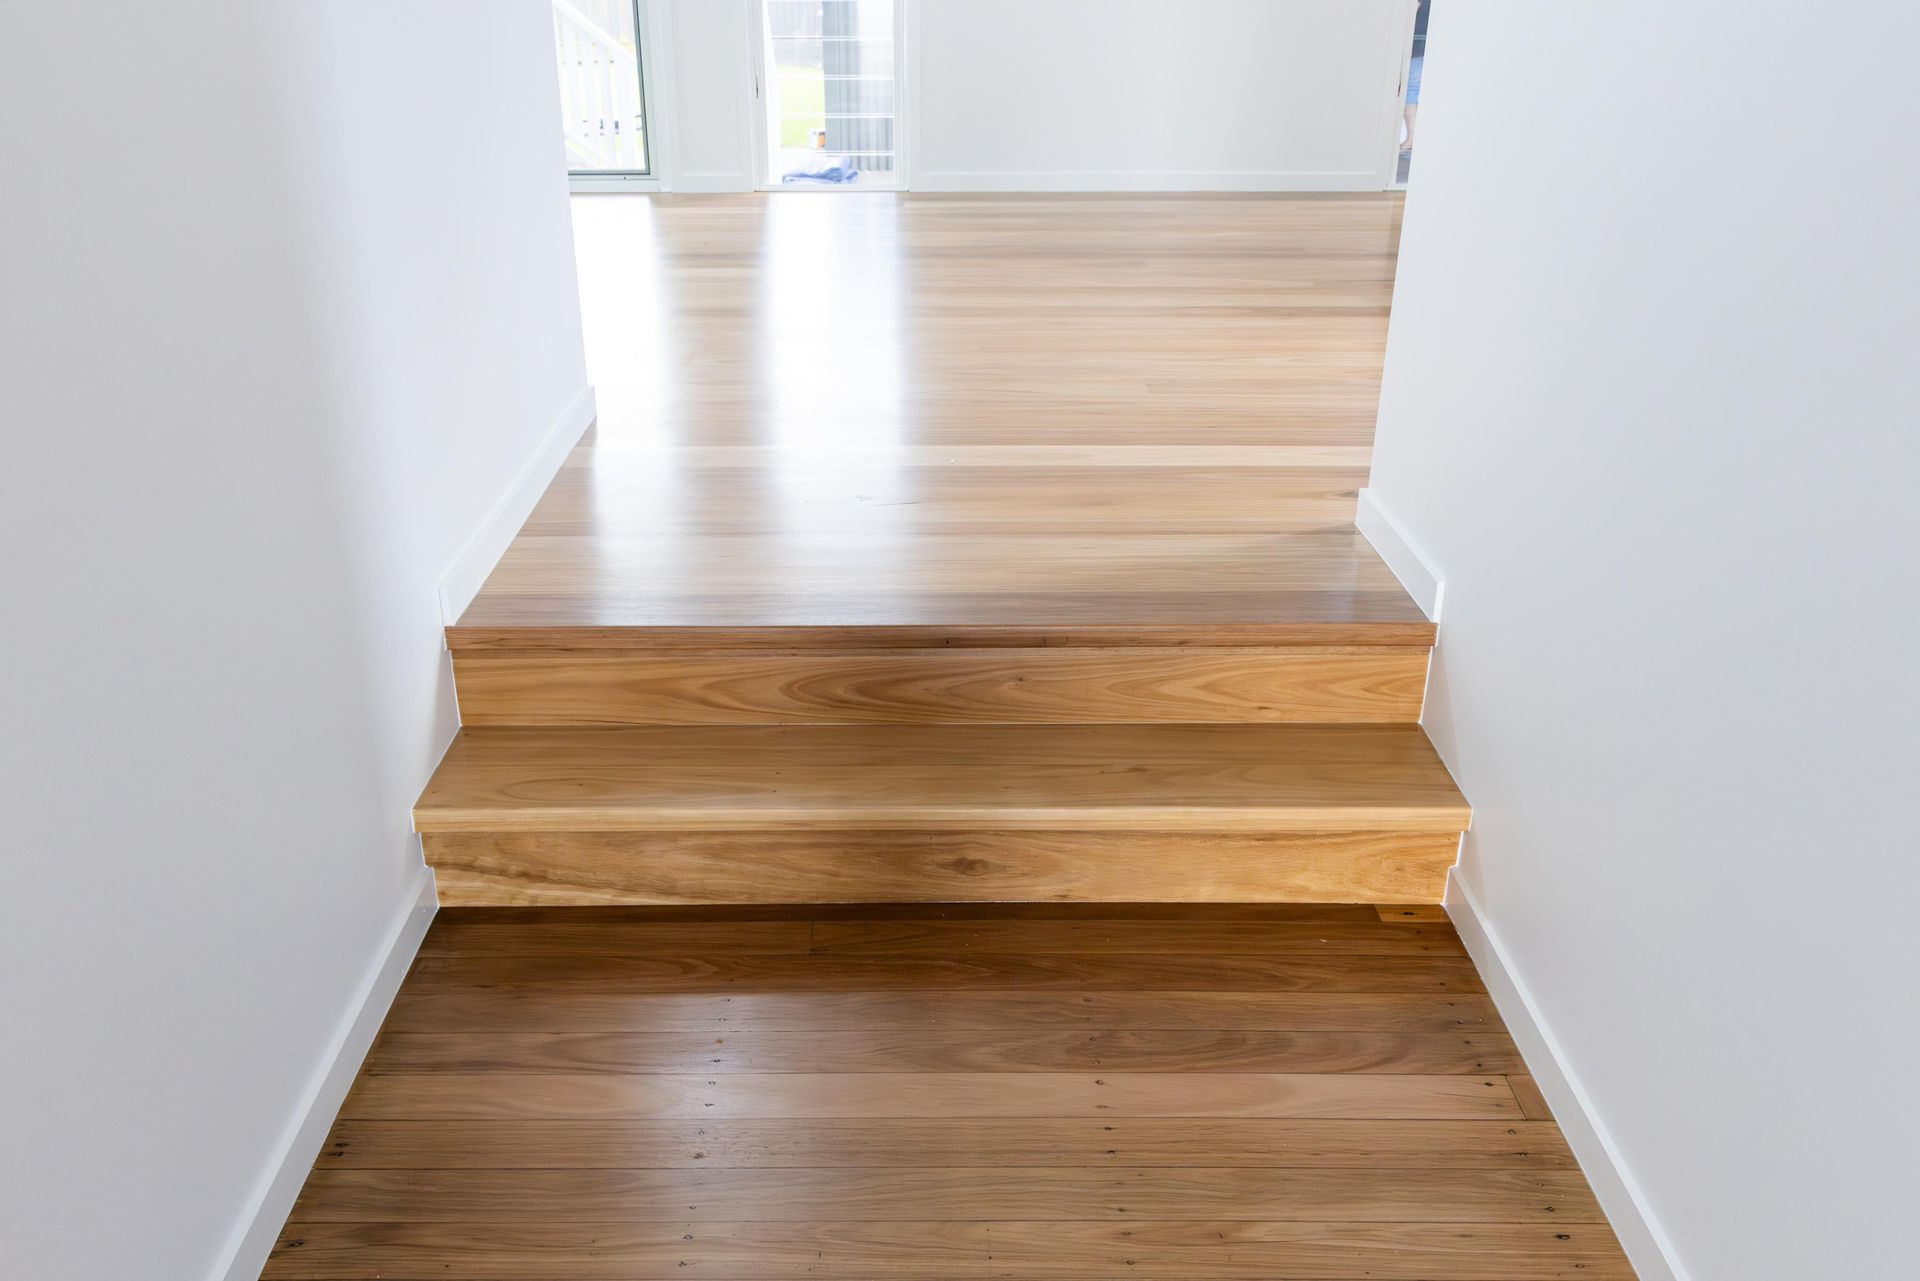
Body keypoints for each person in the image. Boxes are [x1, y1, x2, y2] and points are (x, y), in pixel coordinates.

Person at [1403, 0, 1430, 151]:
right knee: (1412, 89)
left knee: (1410, 90)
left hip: (1416, 45)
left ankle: (1412, 138)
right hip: (1420, 45)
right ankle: (1413, 137)